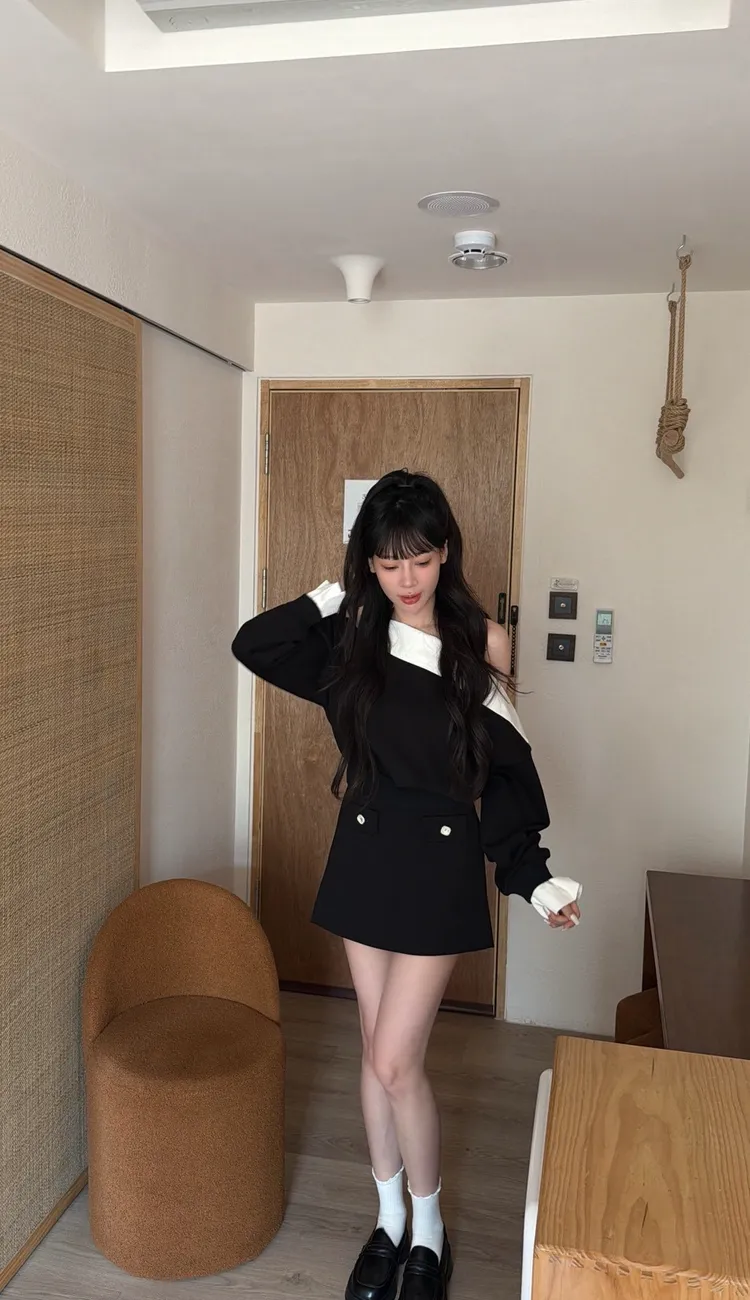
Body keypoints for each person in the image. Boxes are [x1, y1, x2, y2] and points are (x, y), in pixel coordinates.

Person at [232, 470, 582, 1300]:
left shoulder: (482, 643)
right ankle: (388, 1222)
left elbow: (504, 769)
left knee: (396, 1061)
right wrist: (327, 599)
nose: (407, 579)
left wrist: (529, 874)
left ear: (445, 552)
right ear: (368, 565)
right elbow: (255, 645)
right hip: (365, 855)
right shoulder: (352, 640)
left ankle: (430, 1230)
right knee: (374, 1050)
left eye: (420, 559)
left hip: (438, 865)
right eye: (388, 564)